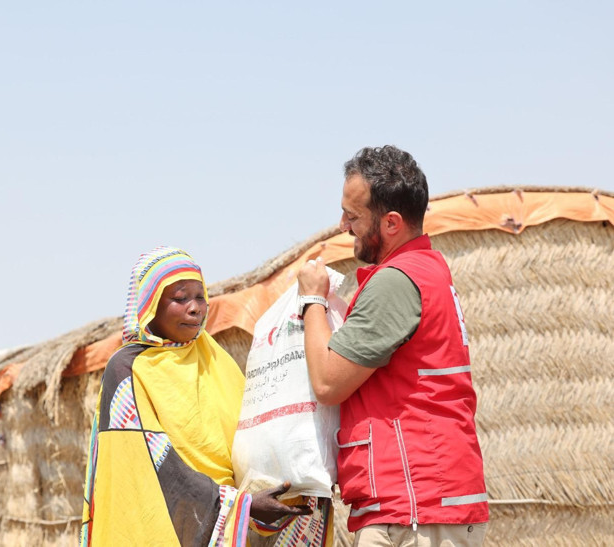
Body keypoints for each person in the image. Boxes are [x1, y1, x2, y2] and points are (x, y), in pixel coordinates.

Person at [297, 146, 489, 546]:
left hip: (414, 504)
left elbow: (329, 382)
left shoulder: (395, 282)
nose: (343, 225)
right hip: (426, 498)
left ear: (391, 223)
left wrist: (312, 300)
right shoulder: (427, 271)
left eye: (353, 216)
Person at [81, 246, 317, 546]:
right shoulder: (128, 368)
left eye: (200, 296)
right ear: (149, 304)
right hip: (168, 525)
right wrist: (241, 505)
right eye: (180, 298)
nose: (195, 308)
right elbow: (154, 462)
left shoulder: (215, 357)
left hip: (234, 527)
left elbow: (251, 433)